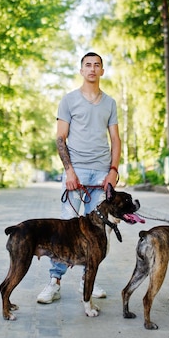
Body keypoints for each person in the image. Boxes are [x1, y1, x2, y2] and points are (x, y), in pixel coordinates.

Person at [37, 51, 121, 304]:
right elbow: (60, 138)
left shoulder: (110, 103)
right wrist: (69, 172)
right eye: (88, 65)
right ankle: (55, 281)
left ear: (102, 71)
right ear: (81, 70)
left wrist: (113, 171)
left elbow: (115, 139)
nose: (92, 69)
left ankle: (89, 279)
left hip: (101, 173)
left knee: (98, 230)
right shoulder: (69, 100)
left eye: (97, 65)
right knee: (65, 229)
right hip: (77, 171)